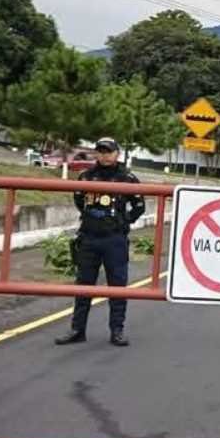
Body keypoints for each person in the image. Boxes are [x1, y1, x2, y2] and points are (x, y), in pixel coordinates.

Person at [54, 137, 145, 347]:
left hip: (114, 239)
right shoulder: (87, 176)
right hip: (89, 237)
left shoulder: (127, 178)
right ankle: (77, 329)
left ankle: (117, 331)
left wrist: (123, 222)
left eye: (108, 151)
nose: (104, 155)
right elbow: (79, 200)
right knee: (83, 285)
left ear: (117, 154)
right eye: (100, 151)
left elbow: (139, 206)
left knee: (117, 286)